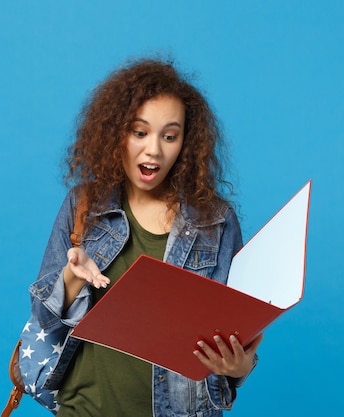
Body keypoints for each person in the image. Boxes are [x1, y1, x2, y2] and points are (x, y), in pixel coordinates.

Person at [29, 57, 263, 417]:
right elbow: (46, 323)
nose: (153, 149)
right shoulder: (84, 205)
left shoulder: (216, 222)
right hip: (84, 409)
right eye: (139, 132)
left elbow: (232, 336)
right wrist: (72, 277)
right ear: (116, 133)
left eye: (169, 136)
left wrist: (239, 369)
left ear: (185, 142)